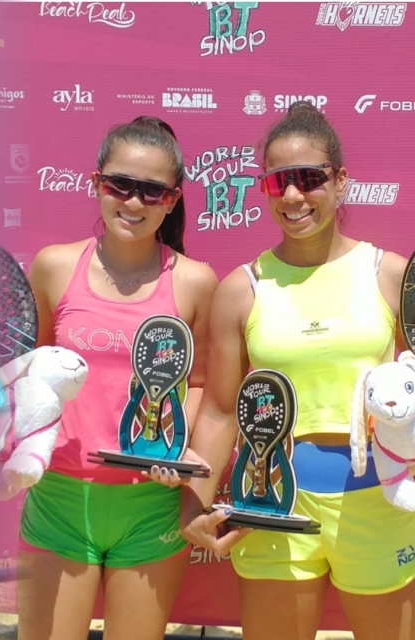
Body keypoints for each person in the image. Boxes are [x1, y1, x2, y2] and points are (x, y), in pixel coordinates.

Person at [180, 101, 415, 640]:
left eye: (308, 179)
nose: (292, 196)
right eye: (276, 182)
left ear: (340, 181)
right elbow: (219, 412)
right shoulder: (242, 288)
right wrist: (191, 504)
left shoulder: (391, 274)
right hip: (271, 504)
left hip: (378, 502)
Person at [17, 116, 218, 640]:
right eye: (120, 185)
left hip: (150, 505)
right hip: (60, 497)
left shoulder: (196, 282)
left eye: (151, 191)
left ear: (172, 200)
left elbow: (199, 385)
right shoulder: (53, 267)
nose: (133, 202)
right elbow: (34, 370)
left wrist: (174, 447)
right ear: (96, 184)